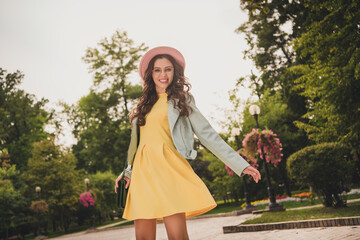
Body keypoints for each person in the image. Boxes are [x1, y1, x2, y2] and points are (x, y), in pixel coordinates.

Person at [115, 46, 261, 240]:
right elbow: (136, 145)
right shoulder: (142, 105)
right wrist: (127, 172)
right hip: (142, 174)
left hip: (169, 169)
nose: (163, 74)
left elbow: (208, 135)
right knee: (143, 236)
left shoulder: (182, 100)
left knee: (177, 236)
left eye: (168, 69)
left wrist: (240, 164)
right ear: (150, 74)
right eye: (157, 70)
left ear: (175, 72)